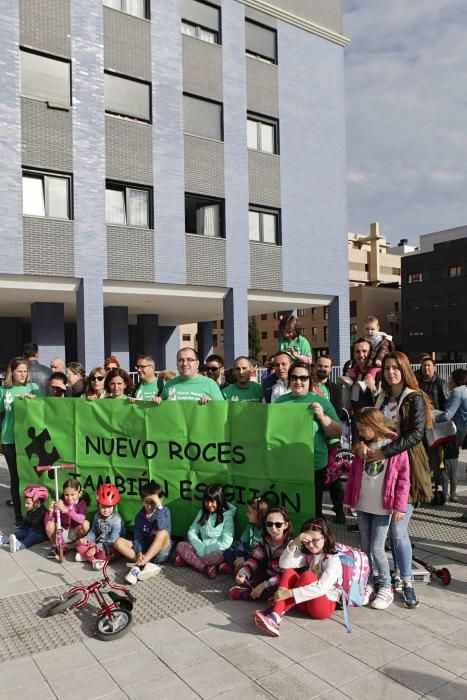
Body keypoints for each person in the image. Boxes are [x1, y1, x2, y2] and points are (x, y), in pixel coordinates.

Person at [368, 351, 433, 609]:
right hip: (381, 472)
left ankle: (406, 582)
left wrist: (383, 451)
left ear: (404, 370)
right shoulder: (382, 397)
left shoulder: (414, 398)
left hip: (407, 469)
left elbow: (415, 434)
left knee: (397, 529)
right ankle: (393, 576)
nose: (391, 371)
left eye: (396, 367)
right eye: (387, 367)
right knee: (387, 530)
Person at [344, 408, 410, 610]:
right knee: (365, 547)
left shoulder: (395, 446)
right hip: (364, 505)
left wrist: (400, 506)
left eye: (364, 429)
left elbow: (403, 479)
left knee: (377, 548)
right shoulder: (361, 448)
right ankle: (368, 583)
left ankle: (386, 587)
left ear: (374, 425)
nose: (361, 433)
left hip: (383, 508)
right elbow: (354, 475)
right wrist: (348, 501)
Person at [253, 518, 343, 637]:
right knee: (289, 572)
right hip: (305, 603)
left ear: (325, 537)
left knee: (307, 576)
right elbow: (284, 564)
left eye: (315, 540)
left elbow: (321, 588)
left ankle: (276, 612)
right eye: (306, 541)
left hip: (323, 608)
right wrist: (294, 543)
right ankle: (275, 615)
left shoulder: (333, 560)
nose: (310, 545)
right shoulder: (310, 555)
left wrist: (290, 593)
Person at [276, 362, 342, 519]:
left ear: (309, 380)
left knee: (313, 510)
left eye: (303, 378)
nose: (299, 382)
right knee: (290, 508)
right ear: (289, 380)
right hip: (288, 465)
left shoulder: (320, 402)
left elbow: (337, 432)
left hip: (314, 465)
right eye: (294, 378)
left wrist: (322, 416)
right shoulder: (280, 402)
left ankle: (313, 541)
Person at [0, 357, 41, 524]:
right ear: (12, 372)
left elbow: (42, 409)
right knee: (15, 477)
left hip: (29, 440)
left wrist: (32, 401)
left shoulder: (33, 387)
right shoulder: (4, 390)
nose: (23, 374)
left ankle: (35, 513)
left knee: (32, 475)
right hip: (9, 438)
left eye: (25, 371)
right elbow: (3, 413)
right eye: (19, 371)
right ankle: (18, 514)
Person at [229, 506, 292, 601]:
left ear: (286, 525)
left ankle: (248, 594)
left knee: (275, 589)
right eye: (269, 524)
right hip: (268, 575)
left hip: (283, 580)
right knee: (246, 575)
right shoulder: (265, 541)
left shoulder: (289, 545)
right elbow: (255, 559)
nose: (273, 528)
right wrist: (244, 573)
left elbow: (285, 574)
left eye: (278, 525)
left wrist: (263, 585)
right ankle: (260, 594)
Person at [175, 484, 235, 578]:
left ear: (219, 500)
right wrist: (200, 548)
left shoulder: (227, 516)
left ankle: (190, 561)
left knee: (219, 556)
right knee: (181, 545)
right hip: (200, 549)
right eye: (206, 501)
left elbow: (226, 542)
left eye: (212, 501)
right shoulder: (202, 513)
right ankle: (205, 568)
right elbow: (192, 531)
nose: (209, 505)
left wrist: (207, 550)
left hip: (215, 551)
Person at [315, 355, 346, 524]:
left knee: (333, 475)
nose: (322, 369)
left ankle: (339, 508)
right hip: (314, 437)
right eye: (320, 365)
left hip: (331, 438)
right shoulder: (309, 387)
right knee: (317, 477)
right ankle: (317, 512)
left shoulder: (334, 388)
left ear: (330, 369)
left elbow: (339, 411)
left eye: (326, 366)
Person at [124, 480, 173, 584]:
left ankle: (138, 566)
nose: (150, 506)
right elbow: (138, 536)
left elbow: (161, 526)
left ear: (160, 500)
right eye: (146, 502)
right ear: (142, 500)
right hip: (146, 551)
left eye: (153, 502)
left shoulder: (165, 511)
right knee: (119, 542)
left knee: (162, 532)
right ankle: (146, 564)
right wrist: (139, 552)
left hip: (161, 552)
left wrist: (159, 506)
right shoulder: (139, 516)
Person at [415, 356, 450, 500]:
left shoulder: (441, 383)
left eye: (429, 366)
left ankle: (439, 489)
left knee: (437, 459)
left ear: (434, 367)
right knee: (422, 458)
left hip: (436, 428)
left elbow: (446, 406)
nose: (426, 368)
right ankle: (425, 488)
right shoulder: (417, 383)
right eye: (423, 366)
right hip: (420, 426)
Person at [75, 484, 127, 570]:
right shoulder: (97, 516)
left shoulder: (116, 520)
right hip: (98, 543)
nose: (106, 510)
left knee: (103, 554)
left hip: (111, 547)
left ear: (114, 506)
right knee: (78, 544)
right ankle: (93, 560)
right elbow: (94, 532)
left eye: (109, 507)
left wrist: (96, 548)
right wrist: (86, 539)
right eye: (103, 507)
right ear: (98, 505)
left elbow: (113, 540)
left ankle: (89, 557)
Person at [435, 368, 467, 504]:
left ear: (455, 380)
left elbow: (448, 414)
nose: (448, 381)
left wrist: (431, 418)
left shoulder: (458, 392)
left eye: (450, 378)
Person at [218, 497, 269, 575]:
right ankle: (239, 570)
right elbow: (241, 542)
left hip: (256, 559)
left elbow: (264, 555)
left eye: (249, 512)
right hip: (246, 554)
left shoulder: (267, 530)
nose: (247, 514)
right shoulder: (250, 526)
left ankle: (235, 571)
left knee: (261, 567)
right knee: (227, 552)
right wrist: (239, 557)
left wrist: (245, 559)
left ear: (258, 514)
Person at [340, 316, 392, 387]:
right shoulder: (367, 339)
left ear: (378, 328)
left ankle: (366, 383)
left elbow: (383, 349)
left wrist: (379, 358)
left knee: (373, 370)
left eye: (372, 329)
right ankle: (350, 380)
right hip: (371, 360)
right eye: (367, 329)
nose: (369, 332)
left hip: (377, 362)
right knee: (355, 366)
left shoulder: (381, 339)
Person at [45, 479, 91, 556]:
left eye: (72, 494)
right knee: (50, 524)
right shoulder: (60, 502)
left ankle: (77, 544)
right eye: (66, 495)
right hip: (61, 532)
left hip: (74, 532)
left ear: (79, 493)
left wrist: (66, 510)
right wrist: (50, 512)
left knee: (86, 524)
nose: (69, 498)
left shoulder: (82, 503)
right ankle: (56, 547)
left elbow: (81, 519)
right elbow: (48, 524)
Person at [1, 484, 48, 552]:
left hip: (38, 534)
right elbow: (27, 520)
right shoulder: (31, 510)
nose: (26, 505)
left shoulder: (43, 512)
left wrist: (48, 539)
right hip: (30, 530)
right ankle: (4, 539)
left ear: (37, 502)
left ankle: (19, 546)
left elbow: (45, 526)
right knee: (18, 533)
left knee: (30, 539)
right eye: (25, 503)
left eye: (28, 503)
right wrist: (23, 526)